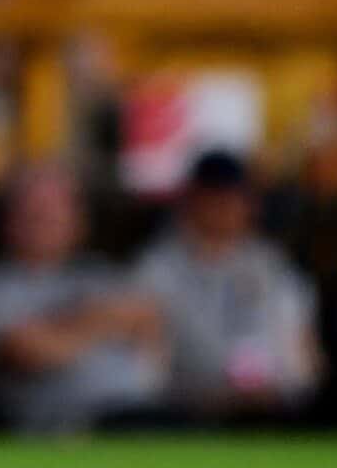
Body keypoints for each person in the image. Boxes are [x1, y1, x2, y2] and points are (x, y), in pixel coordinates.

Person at [0, 165, 166, 433]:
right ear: (7, 220)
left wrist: (60, 330)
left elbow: (150, 326)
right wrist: (105, 319)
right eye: (33, 211)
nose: (43, 222)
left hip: (145, 413)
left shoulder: (101, 274)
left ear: (79, 222)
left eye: (56, 211)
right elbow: (27, 353)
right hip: (57, 428)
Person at [135, 150, 320, 421]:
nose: (225, 208)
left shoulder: (271, 263)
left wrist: (292, 389)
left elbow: (303, 349)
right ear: (192, 201)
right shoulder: (158, 267)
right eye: (215, 198)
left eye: (235, 198)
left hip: (275, 409)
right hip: (188, 412)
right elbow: (145, 360)